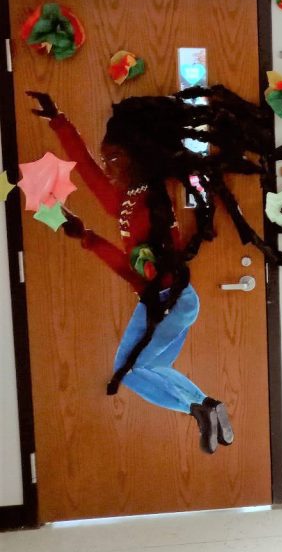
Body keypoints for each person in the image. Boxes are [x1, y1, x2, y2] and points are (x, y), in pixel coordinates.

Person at [26, 90, 245, 455]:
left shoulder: (144, 207)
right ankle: (206, 406)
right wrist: (58, 121)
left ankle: (199, 408)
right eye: (106, 156)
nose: (107, 165)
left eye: (114, 158)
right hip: (171, 300)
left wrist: (90, 240)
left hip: (166, 302)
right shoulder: (129, 199)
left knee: (131, 369)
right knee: (153, 366)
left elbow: (135, 275)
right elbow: (86, 167)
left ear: (138, 158)